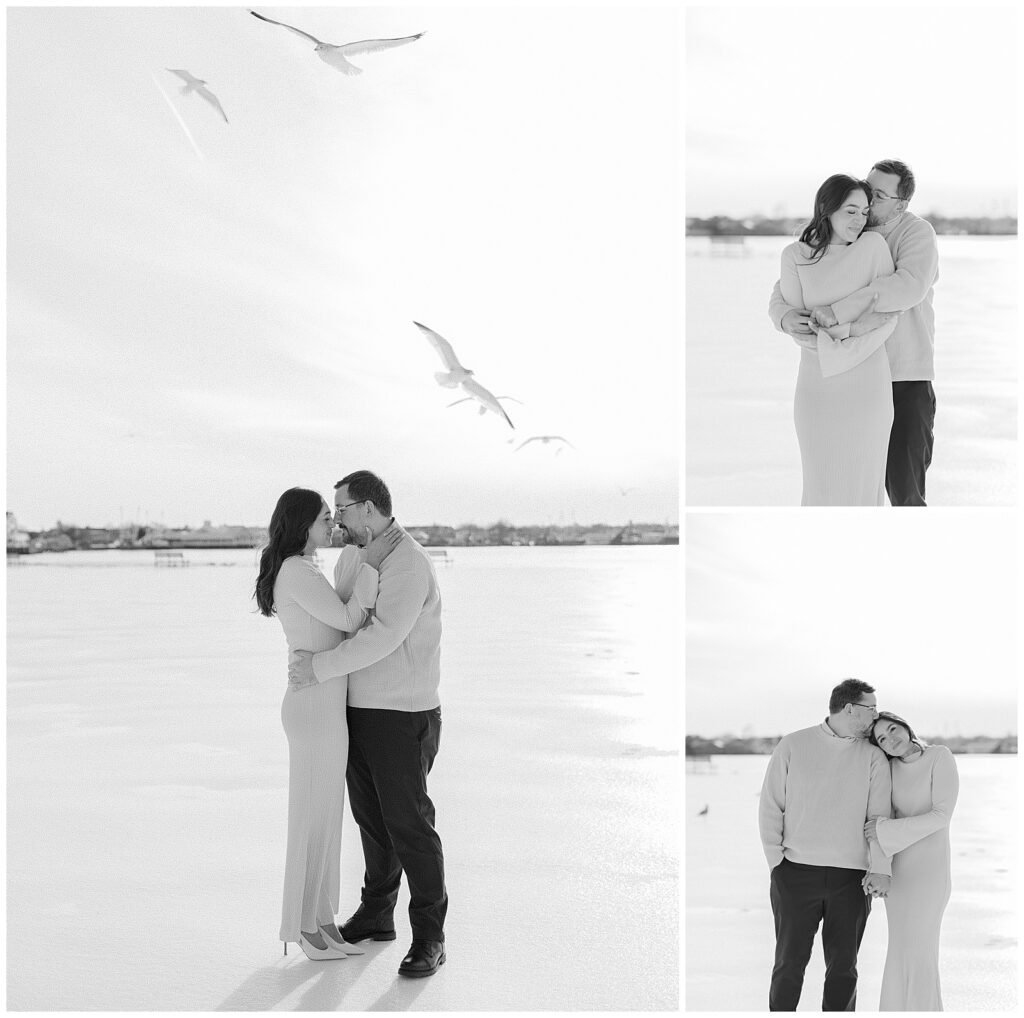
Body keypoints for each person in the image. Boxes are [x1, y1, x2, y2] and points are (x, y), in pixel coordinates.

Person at [288, 470, 448, 978]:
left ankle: (430, 937)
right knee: (372, 823)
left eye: (342, 510)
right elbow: (344, 618)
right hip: (357, 709)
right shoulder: (355, 553)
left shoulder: (409, 562)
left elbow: (381, 635)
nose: (336, 521)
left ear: (370, 508)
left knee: (410, 827)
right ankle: (378, 914)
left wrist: (317, 668)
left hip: (403, 714)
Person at [253, 487, 400, 961]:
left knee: (325, 820)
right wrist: (372, 566)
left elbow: (336, 622)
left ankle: (320, 922)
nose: (332, 525)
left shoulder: (306, 567)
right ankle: (301, 928)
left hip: (323, 706)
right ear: (302, 524)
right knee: (310, 821)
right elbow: (348, 618)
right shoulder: (296, 571)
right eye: (323, 518)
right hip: (314, 709)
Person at [770, 160, 940, 506]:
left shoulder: (915, 233)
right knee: (839, 483)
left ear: (900, 204)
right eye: (867, 189)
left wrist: (835, 313)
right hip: (850, 372)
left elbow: (907, 287)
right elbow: (792, 281)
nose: (868, 204)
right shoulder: (855, 229)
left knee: (904, 489)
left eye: (877, 196)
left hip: (905, 373)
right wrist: (784, 316)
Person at [758, 679, 893, 1011]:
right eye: (871, 709)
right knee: (788, 966)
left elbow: (879, 821)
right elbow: (771, 805)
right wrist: (778, 864)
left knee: (843, 970)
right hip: (795, 874)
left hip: (852, 879)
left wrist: (878, 868)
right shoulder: (793, 744)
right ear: (849, 709)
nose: (876, 717)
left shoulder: (874, 756)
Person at [865, 712, 959, 1011]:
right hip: (900, 872)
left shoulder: (939, 757)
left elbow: (941, 817)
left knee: (921, 952)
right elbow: (878, 820)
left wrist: (884, 829)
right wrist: (879, 868)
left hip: (930, 871)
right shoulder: (887, 768)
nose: (890, 739)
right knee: (899, 950)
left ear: (905, 726)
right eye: (882, 739)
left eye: (892, 729)